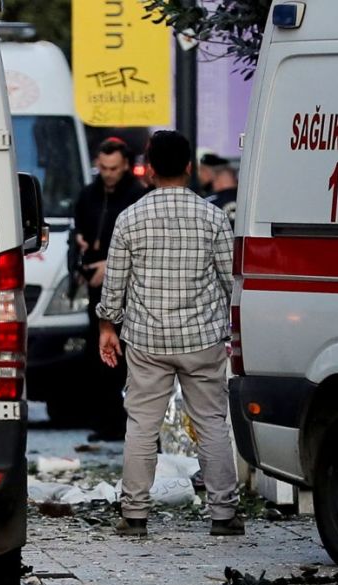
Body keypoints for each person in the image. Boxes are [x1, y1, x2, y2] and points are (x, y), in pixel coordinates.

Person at [96, 130, 243, 538]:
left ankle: (136, 514)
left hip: (146, 341)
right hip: (202, 341)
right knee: (212, 422)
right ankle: (224, 514)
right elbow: (229, 281)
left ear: (149, 168)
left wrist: (108, 326)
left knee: (142, 425)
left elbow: (115, 287)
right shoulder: (213, 217)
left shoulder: (131, 218)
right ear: (190, 168)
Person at [72, 138, 148, 442]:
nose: (108, 174)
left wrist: (110, 265)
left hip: (130, 291)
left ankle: (126, 421)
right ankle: (107, 419)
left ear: (126, 165)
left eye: (113, 168)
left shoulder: (136, 197)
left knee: (130, 356)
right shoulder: (89, 195)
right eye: (103, 168)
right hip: (96, 286)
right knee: (100, 355)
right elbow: (79, 233)